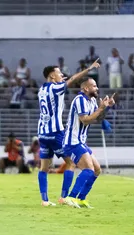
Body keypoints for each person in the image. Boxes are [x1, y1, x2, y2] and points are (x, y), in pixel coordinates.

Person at [37, 59, 100, 207]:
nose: (62, 75)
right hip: (56, 132)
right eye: (59, 74)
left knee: (44, 168)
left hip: (42, 133)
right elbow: (72, 80)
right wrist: (88, 69)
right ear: (52, 76)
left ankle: (44, 200)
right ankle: (65, 197)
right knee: (71, 163)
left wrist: (59, 80)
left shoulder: (42, 90)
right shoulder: (55, 88)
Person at [63, 79, 115, 208]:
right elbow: (85, 120)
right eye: (94, 86)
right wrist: (101, 108)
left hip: (80, 141)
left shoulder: (91, 101)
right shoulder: (79, 100)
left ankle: (81, 199)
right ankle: (71, 197)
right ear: (86, 88)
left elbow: (97, 119)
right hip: (72, 141)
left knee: (97, 170)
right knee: (88, 169)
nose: (97, 88)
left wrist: (106, 108)